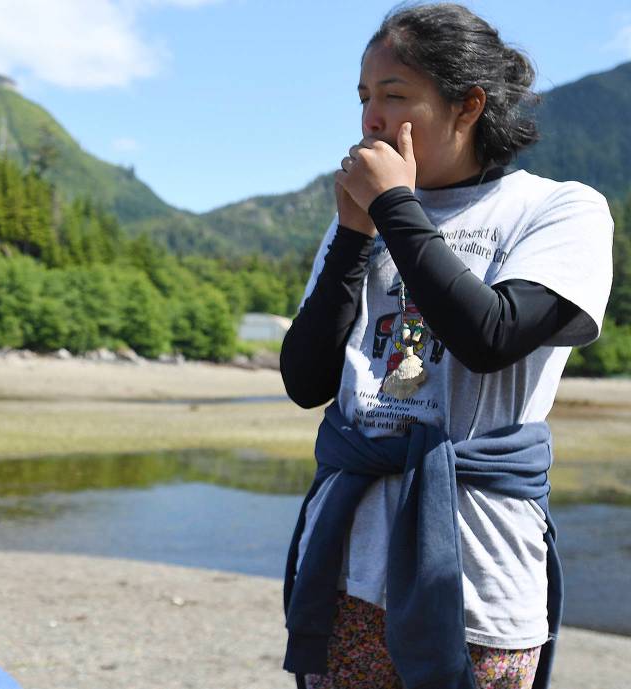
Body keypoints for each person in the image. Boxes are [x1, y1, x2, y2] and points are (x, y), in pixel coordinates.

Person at [279, 4, 613, 689]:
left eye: (395, 96)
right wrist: (351, 235)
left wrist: (393, 210)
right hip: (344, 566)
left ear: (468, 106)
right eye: (365, 97)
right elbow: (306, 379)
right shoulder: (363, 219)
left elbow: (490, 335)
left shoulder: (559, 209)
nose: (371, 118)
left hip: (479, 574)